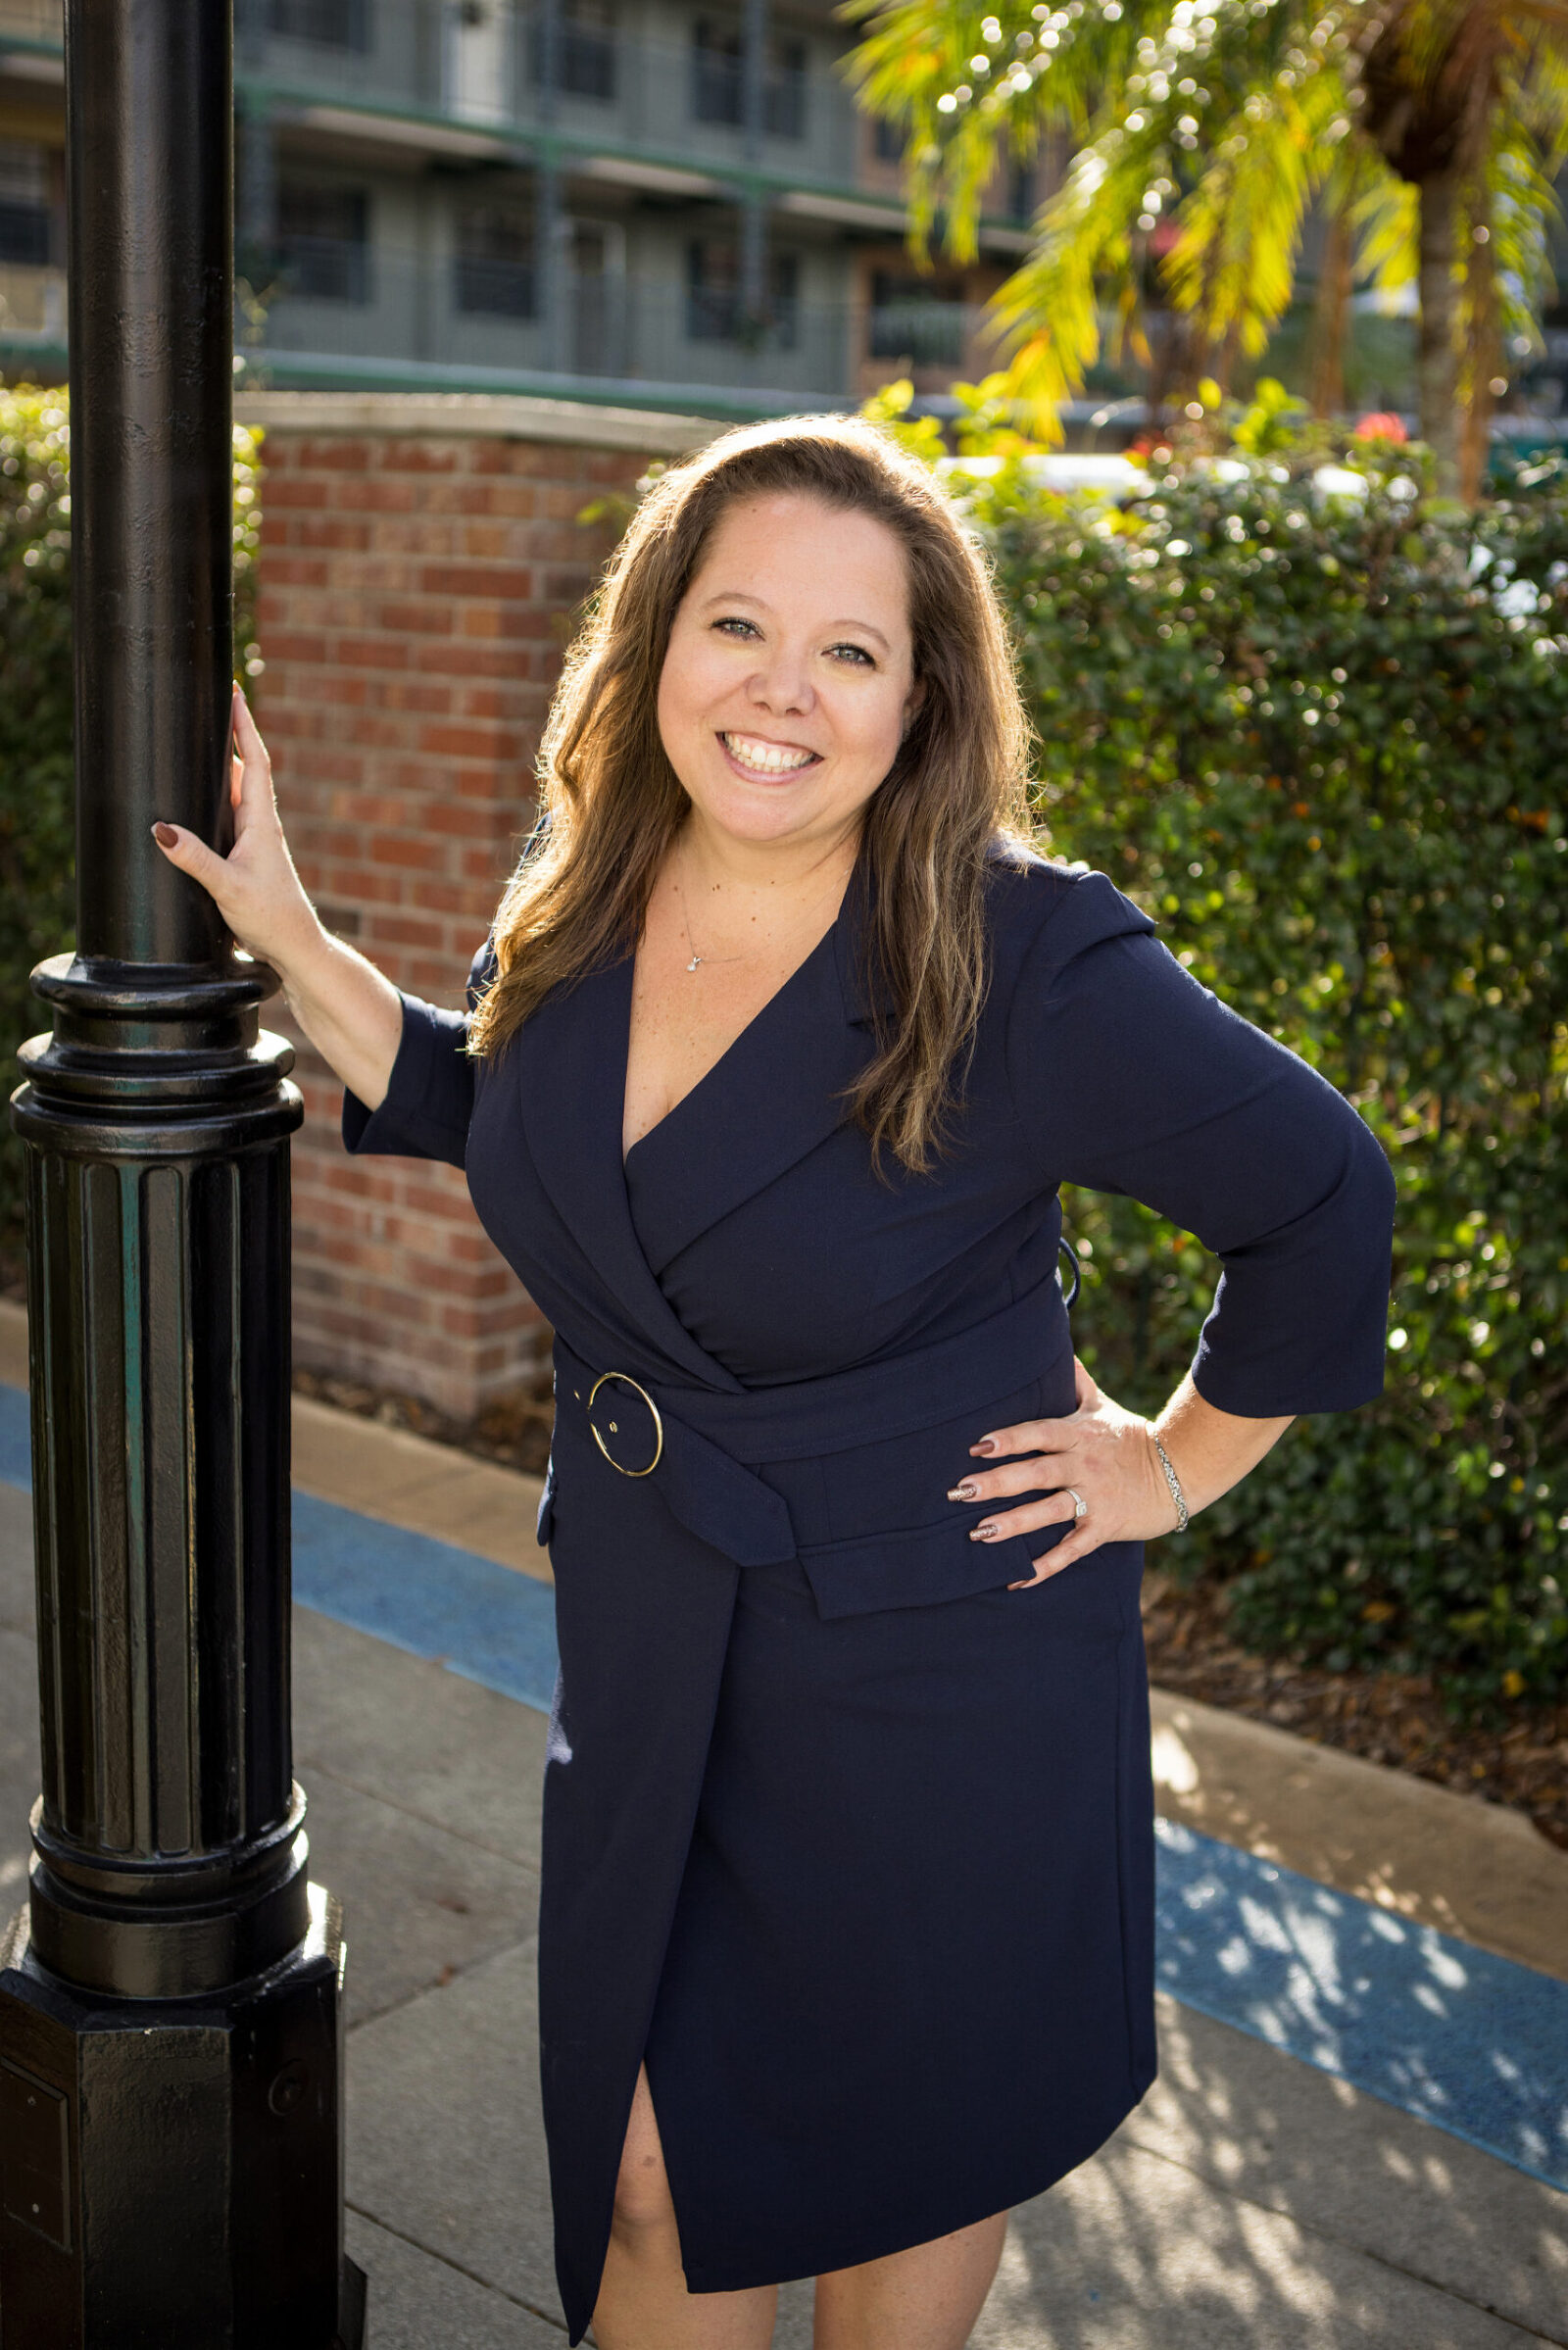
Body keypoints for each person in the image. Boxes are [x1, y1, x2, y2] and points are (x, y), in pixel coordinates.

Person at [155, 415, 1396, 2350]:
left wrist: (1166, 1464)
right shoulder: (586, 894)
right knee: (652, 2186)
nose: (779, 691)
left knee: (892, 2189)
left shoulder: (1023, 955)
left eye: (848, 650)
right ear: (654, 644)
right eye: (736, 623)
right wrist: (293, 938)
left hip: (940, 1672)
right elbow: (512, 1117)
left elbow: (1320, 1191)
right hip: (664, 1644)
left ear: (919, 700)